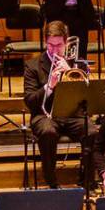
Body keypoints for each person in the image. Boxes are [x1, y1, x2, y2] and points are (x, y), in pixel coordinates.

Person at [23, 20, 96, 189]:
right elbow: (30, 101)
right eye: (51, 45)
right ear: (45, 42)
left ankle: (87, 181)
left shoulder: (77, 63)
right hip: (45, 115)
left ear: (66, 42)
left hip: (73, 114)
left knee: (91, 131)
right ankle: (52, 182)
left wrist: (69, 72)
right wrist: (50, 85)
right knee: (48, 132)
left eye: (59, 45)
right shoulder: (33, 66)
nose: (55, 50)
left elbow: (88, 95)